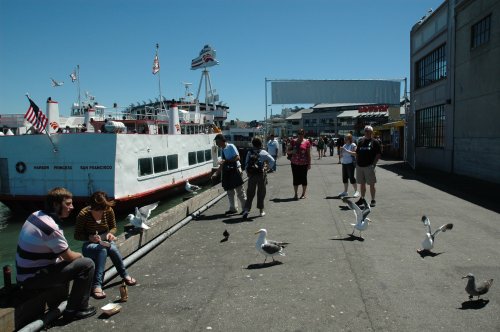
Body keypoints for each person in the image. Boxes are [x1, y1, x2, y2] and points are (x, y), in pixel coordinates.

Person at [16, 187, 96, 321]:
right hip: (32, 279)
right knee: (87, 264)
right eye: (68, 204)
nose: (72, 207)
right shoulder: (51, 227)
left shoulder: (36, 215)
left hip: (23, 275)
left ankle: (69, 304)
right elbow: (69, 256)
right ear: (56, 205)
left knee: (70, 262)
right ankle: (75, 310)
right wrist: (80, 256)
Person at [74, 191, 137, 300]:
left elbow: (113, 227)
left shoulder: (108, 210)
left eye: (103, 210)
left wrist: (110, 234)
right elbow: (77, 235)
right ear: (91, 207)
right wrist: (89, 237)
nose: (101, 213)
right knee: (102, 250)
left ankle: (124, 274)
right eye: (97, 210)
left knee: (112, 248)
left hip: (104, 240)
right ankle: (97, 285)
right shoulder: (83, 214)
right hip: (89, 244)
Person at [211, 133, 247, 214]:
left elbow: (238, 157)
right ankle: (233, 208)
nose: (216, 144)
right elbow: (223, 163)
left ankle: (245, 208)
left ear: (221, 140)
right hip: (228, 171)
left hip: (236, 170)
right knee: (230, 191)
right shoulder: (222, 149)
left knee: (239, 191)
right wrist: (217, 173)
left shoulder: (231, 146)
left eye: (217, 142)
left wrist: (226, 161)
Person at [242, 137, 275, 219]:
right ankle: (261, 210)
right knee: (261, 193)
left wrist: (248, 172)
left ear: (253, 144)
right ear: (261, 144)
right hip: (261, 175)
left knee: (250, 193)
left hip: (252, 175)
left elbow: (246, 164)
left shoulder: (250, 152)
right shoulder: (264, 152)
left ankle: (246, 210)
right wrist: (267, 169)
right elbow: (272, 160)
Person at [355, 125, 382, 207]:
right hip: (360, 166)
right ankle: (362, 198)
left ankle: (373, 200)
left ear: (371, 132)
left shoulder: (375, 142)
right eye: (365, 131)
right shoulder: (360, 141)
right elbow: (357, 153)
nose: (366, 132)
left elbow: (378, 154)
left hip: (369, 166)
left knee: (371, 184)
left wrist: (373, 164)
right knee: (362, 184)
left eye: (368, 131)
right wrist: (357, 163)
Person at [287, 128, 312, 200]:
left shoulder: (307, 142)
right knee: (295, 178)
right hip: (294, 163)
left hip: (304, 164)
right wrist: (292, 152)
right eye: (299, 133)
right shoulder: (293, 141)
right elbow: (287, 151)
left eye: (302, 133)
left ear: (304, 134)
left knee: (304, 178)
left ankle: (303, 194)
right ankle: (295, 194)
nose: (300, 135)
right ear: (297, 134)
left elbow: (308, 154)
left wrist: (309, 164)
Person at [338, 134, 360, 198]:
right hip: (344, 163)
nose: (345, 139)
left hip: (350, 163)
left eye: (346, 138)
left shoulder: (353, 145)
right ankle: (345, 191)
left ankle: (356, 191)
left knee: (351, 178)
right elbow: (342, 155)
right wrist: (341, 152)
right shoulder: (344, 145)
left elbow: (355, 154)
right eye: (345, 138)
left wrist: (346, 150)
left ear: (350, 139)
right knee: (344, 178)